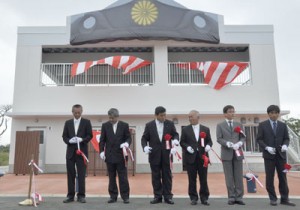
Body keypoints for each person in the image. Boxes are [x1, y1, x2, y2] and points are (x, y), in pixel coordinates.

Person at [257, 105, 296, 206]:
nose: (274, 115)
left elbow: (286, 138)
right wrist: (267, 147)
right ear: (268, 114)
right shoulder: (262, 125)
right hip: (268, 156)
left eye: (276, 113)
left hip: (281, 156)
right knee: (269, 177)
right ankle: (272, 198)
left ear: (278, 114)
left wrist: (285, 145)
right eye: (271, 113)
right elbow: (259, 139)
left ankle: (285, 199)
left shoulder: (283, 125)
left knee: (283, 177)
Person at [141, 106, 179, 205]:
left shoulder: (169, 124)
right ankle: (157, 196)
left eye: (165, 115)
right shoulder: (149, 125)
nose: (164, 117)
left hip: (167, 154)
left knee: (167, 176)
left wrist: (175, 140)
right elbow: (144, 138)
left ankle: (168, 197)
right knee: (155, 176)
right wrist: (145, 147)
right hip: (154, 155)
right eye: (161, 115)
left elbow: (175, 134)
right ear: (156, 115)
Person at [180, 110, 212, 206]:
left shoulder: (205, 129)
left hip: (203, 157)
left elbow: (209, 141)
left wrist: (208, 146)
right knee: (192, 179)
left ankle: (204, 198)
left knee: (203, 178)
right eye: (189, 117)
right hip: (190, 158)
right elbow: (182, 142)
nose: (190, 118)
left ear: (198, 117)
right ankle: (193, 198)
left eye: (192, 116)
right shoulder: (185, 129)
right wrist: (187, 147)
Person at [99, 108, 131, 204]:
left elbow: (128, 137)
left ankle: (125, 196)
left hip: (121, 155)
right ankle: (113, 196)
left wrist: (126, 143)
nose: (111, 120)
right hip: (109, 155)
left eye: (112, 118)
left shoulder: (124, 125)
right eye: (109, 118)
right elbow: (102, 140)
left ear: (117, 117)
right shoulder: (105, 126)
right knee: (111, 177)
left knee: (123, 177)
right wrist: (101, 151)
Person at [62, 104, 93, 203]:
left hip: (81, 153)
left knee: (81, 175)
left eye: (79, 112)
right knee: (70, 174)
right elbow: (64, 136)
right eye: (75, 112)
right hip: (70, 153)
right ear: (72, 112)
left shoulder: (86, 122)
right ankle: (70, 196)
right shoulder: (68, 123)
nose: (77, 114)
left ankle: (81, 196)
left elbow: (90, 135)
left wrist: (82, 139)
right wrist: (69, 141)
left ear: (82, 112)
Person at [216, 105, 245, 205]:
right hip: (226, 153)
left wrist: (240, 143)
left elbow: (243, 137)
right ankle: (231, 197)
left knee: (238, 176)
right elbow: (219, 138)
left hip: (237, 153)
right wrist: (227, 143)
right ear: (225, 114)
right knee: (229, 177)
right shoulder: (220, 125)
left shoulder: (239, 124)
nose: (232, 113)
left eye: (233, 111)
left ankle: (239, 197)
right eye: (230, 111)